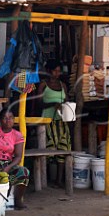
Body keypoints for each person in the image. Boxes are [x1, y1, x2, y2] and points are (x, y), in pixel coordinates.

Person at [37, 59, 72, 188]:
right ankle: (43, 179)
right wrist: (53, 104)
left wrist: (65, 106)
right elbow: (39, 103)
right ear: (48, 71)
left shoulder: (63, 85)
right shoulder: (43, 85)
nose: (57, 74)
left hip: (62, 122)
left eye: (59, 71)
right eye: (54, 71)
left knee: (63, 148)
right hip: (47, 121)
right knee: (47, 148)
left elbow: (67, 101)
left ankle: (59, 180)